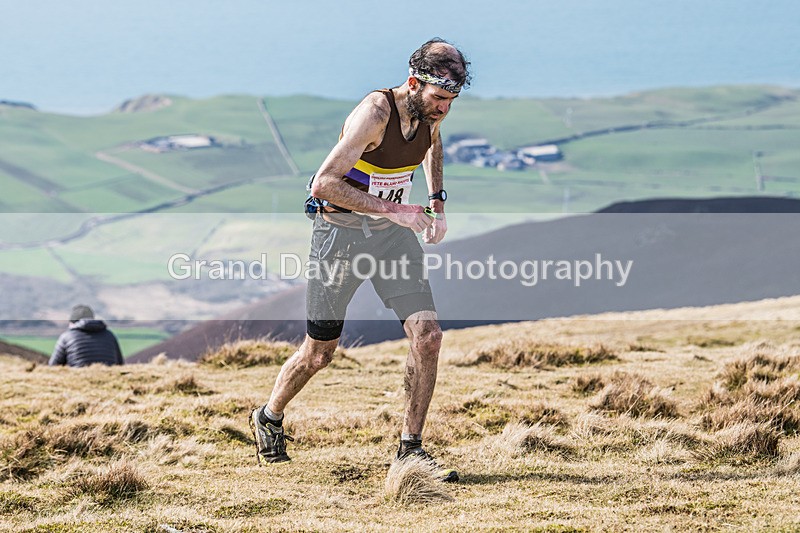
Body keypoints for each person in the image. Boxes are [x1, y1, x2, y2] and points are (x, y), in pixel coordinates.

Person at [250, 38, 470, 482]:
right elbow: (323, 184)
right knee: (319, 354)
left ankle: (411, 450)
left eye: (451, 101)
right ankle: (269, 416)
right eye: (439, 99)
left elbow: (433, 145)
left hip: (392, 240)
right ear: (414, 83)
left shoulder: (429, 112)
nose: (444, 109)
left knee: (427, 337)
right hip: (339, 239)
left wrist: (437, 203)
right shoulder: (376, 113)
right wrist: (397, 209)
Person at [49, 304, 124, 367]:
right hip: (109, 379)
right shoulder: (110, 335)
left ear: (72, 322)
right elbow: (120, 364)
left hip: (78, 379)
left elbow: (53, 366)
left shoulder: (66, 337)